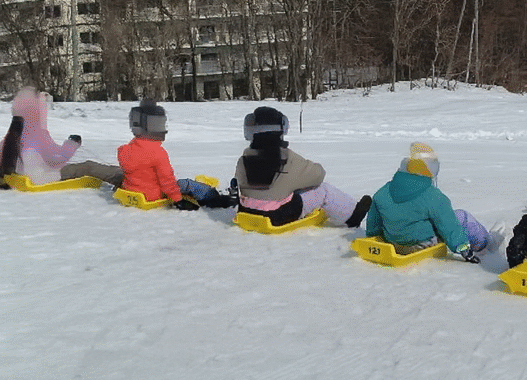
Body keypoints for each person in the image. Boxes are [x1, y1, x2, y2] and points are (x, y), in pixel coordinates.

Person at [234, 106, 371, 227]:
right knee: (323, 190)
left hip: (248, 211)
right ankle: (353, 215)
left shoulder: (243, 159)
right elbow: (318, 175)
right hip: (277, 216)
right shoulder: (287, 158)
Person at [365, 142, 495, 262]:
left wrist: (374, 242)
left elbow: (373, 224)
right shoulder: (432, 196)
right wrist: (464, 249)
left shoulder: (382, 192)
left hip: (394, 243)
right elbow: (449, 225)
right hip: (421, 246)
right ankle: (486, 245)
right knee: (461, 217)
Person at [117, 98, 231, 210]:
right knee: (186, 184)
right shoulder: (158, 152)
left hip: (133, 191)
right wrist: (178, 200)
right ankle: (213, 196)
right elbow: (167, 181)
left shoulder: (126, 150)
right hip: (153, 195)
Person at [0, 86, 124, 187]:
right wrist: (73, 144)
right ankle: (123, 176)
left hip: (22, 178)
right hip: (43, 177)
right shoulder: (38, 135)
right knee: (88, 166)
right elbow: (58, 158)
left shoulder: (10, 136)